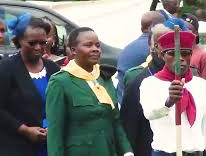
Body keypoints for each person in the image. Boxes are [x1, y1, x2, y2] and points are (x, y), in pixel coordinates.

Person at [46, 27, 133, 156]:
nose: (95, 49)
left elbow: (115, 120)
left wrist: (127, 151)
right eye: (88, 45)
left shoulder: (104, 77)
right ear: (73, 50)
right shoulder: (60, 82)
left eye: (98, 45)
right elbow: (55, 133)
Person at [140, 31, 206, 156]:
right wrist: (168, 103)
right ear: (163, 55)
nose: (180, 58)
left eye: (185, 53)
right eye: (172, 53)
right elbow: (150, 114)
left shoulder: (202, 86)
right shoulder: (150, 84)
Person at [0, 14, 60, 156]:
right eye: (32, 43)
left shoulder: (53, 68)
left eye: (43, 42)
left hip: (50, 144)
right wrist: (25, 130)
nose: (38, 47)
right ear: (19, 40)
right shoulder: (6, 69)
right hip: (17, 145)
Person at [120, 24, 170, 156]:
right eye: (158, 43)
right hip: (147, 146)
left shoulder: (187, 77)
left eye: (167, 42)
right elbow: (129, 123)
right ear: (151, 46)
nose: (162, 47)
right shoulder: (137, 79)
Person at [117, 11, 164, 104]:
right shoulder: (154, 49)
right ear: (155, 27)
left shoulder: (128, 48)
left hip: (122, 99)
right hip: (138, 104)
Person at [182, 13, 206, 80]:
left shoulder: (204, 56)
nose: (184, 31)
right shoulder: (172, 54)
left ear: (196, 33)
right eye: (181, 28)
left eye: (188, 29)